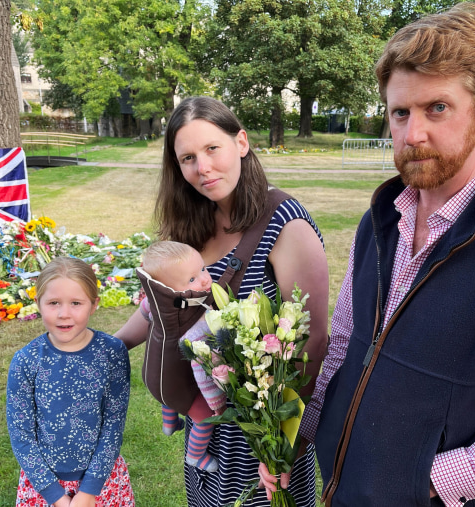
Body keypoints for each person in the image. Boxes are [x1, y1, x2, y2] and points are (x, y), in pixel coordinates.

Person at [262, 4, 475, 506]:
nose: (412, 134)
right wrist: (299, 435)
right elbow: (347, 348)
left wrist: (428, 481)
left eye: (436, 108)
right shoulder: (380, 219)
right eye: (401, 112)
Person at [114, 96, 329, 506]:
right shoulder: (189, 224)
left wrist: (286, 441)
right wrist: (109, 344)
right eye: (188, 158)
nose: (203, 168)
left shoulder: (286, 224)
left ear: (242, 143)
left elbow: (313, 343)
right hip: (209, 427)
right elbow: (162, 307)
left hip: (264, 431)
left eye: (213, 148)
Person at [6, 257, 133, 507]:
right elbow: (21, 435)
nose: (64, 314)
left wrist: (88, 492)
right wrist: (56, 497)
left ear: (94, 305)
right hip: (43, 486)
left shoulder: (112, 353)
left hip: (101, 483)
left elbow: (113, 424)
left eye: (76, 303)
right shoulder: (25, 361)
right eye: (53, 303)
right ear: (38, 304)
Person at [139, 240, 225, 473]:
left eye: (203, 269)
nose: (205, 279)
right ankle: (195, 456)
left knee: (168, 395)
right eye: (192, 280)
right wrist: (215, 401)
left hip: (153, 376)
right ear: (170, 288)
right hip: (177, 384)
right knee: (204, 417)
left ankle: (169, 424)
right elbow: (200, 367)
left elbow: (145, 309)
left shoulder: (159, 303)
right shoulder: (198, 321)